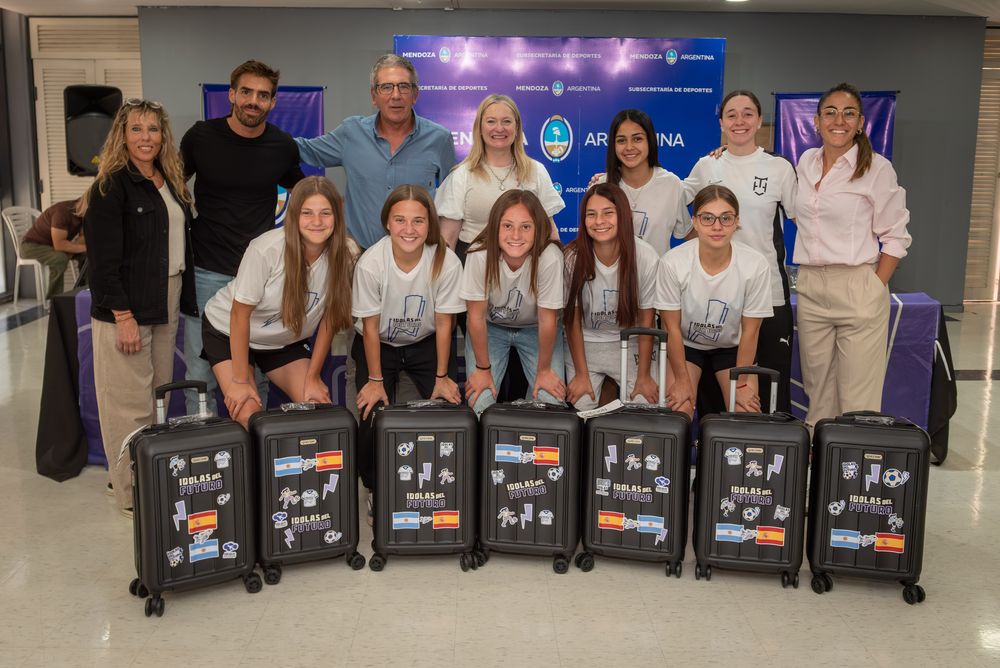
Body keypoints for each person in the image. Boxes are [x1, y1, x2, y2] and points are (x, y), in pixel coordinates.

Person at [79, 99, 195, 517]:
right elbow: (103, 263)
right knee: (128, 404)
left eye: (153, 129)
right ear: (122, 136)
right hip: (126, 304)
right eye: (136, 129)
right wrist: (122, 317)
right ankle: (130, 494)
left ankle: (142, 475)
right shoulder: (111, 186)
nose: (145, 138)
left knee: (155, 396)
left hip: (164, 296)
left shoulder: (169, 180)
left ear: (163, 135)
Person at [180, 59, 305, 415]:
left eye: (263, 95)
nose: (254, 101)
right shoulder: (201, 137)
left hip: (260, 276)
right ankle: (202, 452)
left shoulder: (281, 145)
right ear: (232, 94)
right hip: (208, 269)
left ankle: (254, 452)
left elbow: (304, 193)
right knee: (201, 372)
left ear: (273, 102)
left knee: (255, 371)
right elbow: (171, 185)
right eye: (246, 92)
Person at [794, 82, 911, 427]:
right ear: (816, 121)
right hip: (812, 286)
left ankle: (853, 474)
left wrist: (875, 286)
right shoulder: (806, 163)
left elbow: (895, 236)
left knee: (858, 396)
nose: (838, 120)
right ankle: (820, 471)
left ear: (860, 122)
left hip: (858, 284)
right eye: (830, 112)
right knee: (818, 391)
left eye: (849, 113)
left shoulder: (876, 168)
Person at [200, 176, 356, 429]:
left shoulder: (346, 254)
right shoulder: (266, 250)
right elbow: (239, 315)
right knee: (248, 414)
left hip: (284, 341)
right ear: (294, 215)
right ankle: (254, 469)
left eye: (325, 213)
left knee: (317, 409)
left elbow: (329, 319)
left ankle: (299, 468)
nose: (317, 222)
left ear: (337, 216)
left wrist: (313, 377)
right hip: (229, 330)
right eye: (307, 213)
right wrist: (240, 381)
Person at [352, 185, 465, 523]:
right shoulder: (371, 262)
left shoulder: (445, 260)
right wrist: (374, 380)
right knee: (372, 412)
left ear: (429, 224)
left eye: (418, 221)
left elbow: (446, 324)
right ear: (387, 222)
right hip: (378, 345)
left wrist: (442, 377)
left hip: (426, 342)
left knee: (450, 408)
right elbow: (370, 328)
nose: (409, 229)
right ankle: (374, 487)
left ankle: (445, 487)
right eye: (400, 219)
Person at [683, 90, 798, 413]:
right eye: (731, 114)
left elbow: (805, 217)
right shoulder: (708, 165)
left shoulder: (778, 168)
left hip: (769, 295)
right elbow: (669, 195)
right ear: (721, 123)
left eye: (748, 113)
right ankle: (714, 453)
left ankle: (774, 454)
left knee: (769, 387)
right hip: (717, 295)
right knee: (717, 391)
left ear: (759, 120)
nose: (739, 121)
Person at [296, 54, 456, 250]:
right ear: (374, 96)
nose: (395, 95)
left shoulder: (440, 139)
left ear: (415, 95)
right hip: (358, 256)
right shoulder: (351, 133)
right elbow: (303, 150)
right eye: (386, 87)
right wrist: (256, 134)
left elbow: (451, 203)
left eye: (404, 87)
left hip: (417, 257)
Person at [655, 185, 772, 418]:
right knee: (679, 409)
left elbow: (751, 331)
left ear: (737, 221)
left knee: (744, 412)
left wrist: (741, 385)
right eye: (708, 218)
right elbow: (671, 328)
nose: (717, 227)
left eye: (726, 218)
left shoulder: (755, 265)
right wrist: (681, 380)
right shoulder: (673, 262)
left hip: (733, 349)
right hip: (687, 347)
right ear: (695, 221)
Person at [462, 190, 566, 416]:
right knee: (480, 404)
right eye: (507, 226)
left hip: (536, 329)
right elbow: (475, 317)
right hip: (491, 328)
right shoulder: (479, 253)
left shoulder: (549, 257)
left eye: (526, 227)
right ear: (495, 227)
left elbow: (548, 319)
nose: (516, 235)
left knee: (551, 404)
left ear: (538, 228)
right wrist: (482, 369)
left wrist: (545, 370)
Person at [564, 183, 660, 410]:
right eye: (591, 214)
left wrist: (644, 376)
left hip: (631, 341)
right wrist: (581, 374)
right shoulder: (571, 257)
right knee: (583, 408)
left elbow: (647, 321)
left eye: (608, 213)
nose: (599, 221)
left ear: (623, 215)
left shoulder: (645, 256)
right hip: (587, 343)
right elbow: (572, 321)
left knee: (644, 406)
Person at [435, 93, 564, 261]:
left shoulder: (536, 171)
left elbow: (550, 233)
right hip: (472, 270)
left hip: (524, 272)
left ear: (517, 128)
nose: (499, 128)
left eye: (507, 121)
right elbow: (448, 238)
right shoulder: (462, 175)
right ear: (479, 128)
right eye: (491, 121)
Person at [589, 109, 693, 255]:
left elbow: (689, 235)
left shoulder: (672, 185)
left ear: (650, 141)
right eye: (621, 140)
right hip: (610, 277)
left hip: (656, 277)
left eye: (637, 139)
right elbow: (588, 240)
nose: (629, 147)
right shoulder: (600, 186)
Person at [19, 198, 86, 299]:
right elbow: (59, 245)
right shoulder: (62, 212)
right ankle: (53, 300)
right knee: (60, 258)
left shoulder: (85, 215)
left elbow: (82, 238)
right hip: (31, 246)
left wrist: (78, 250)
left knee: (87, 255)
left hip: (52, 247)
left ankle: (84, 293)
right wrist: (82, 248)